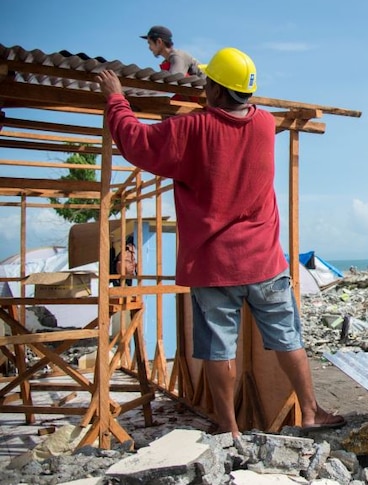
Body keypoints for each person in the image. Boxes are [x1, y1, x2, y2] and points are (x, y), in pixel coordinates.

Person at [96, 47, 345, 436]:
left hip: (214, 265)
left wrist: (116, 99)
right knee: (287, 337)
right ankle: (310, 411)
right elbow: (232, 112)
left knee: (218, 349)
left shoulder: (190, 129)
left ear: (213, 89)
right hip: (264, 261)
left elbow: (136, 142)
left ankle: (228, 429)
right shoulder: (264, 125)